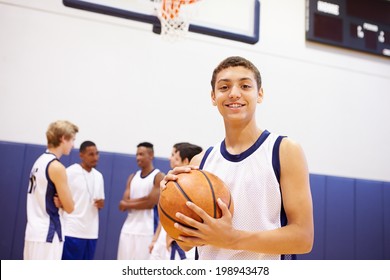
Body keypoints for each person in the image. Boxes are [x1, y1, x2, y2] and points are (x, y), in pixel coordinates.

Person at [161, 56, 314, 260]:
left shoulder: (283, 150)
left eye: (245, 86)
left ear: (259, 94)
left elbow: (303, 238)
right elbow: (186, 244)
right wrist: (169, 199)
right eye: (224, 87)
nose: (234, 94)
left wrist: (232, 239)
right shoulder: (200, 162)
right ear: (213, 97)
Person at [24, 120, 78, 260]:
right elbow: (70, 207)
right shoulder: (56, 167)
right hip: (48, 234)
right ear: (63, 138)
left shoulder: (39, 161)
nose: (73, 144)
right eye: (72, 140)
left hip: (33, 232)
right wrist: (63, 203)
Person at [149, 142, 202, 260]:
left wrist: (172, 238)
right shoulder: (170, 181)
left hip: (180, 240)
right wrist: (155, 239)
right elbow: (163, 214)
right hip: (164, 236)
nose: (170, 158)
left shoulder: (197, 189)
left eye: (174, 156)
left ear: (186, 161)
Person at [117, 142, 165, 260]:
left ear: (151, 155)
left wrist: (129, 203)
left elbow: (150, 203)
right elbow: (122, 205)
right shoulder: (132, 177)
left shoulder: (158, 176)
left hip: (146, 231)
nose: (138, 157)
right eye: (137, 154)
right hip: (128, 228)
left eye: (141, 154)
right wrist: (144, 199)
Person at [61, 141, 105, 260]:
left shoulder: (99, 176)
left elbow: (100, 203)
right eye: (91, 154)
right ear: (81, 155)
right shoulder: (70, 172)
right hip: (72, 231)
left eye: (97, 154)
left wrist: (101, 204)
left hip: (91, 233)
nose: (95, 157)